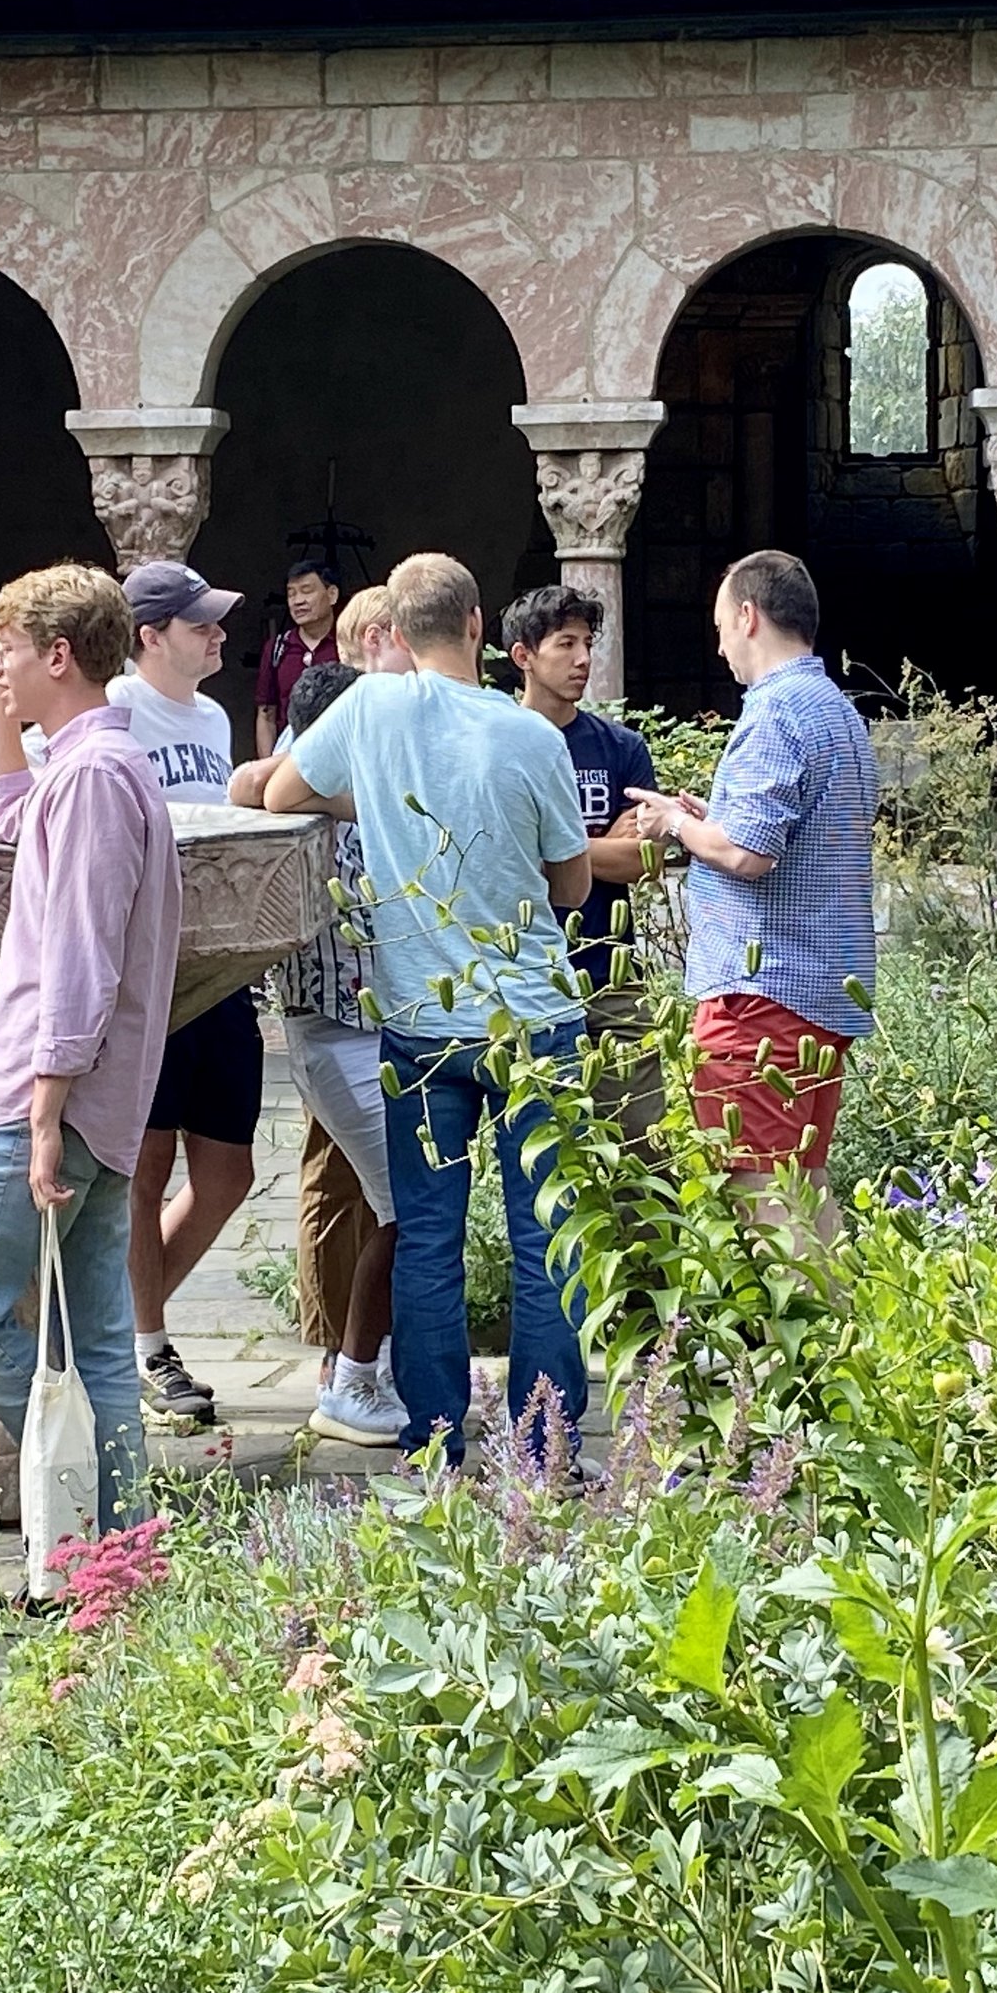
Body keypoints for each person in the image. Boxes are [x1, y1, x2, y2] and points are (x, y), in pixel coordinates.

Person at [266, 551, 593, 1469]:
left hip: (420, 1024)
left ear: (396, 637)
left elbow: (287, 791)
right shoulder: (531, 734)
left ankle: (435, 1445)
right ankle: (547, 1450)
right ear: (482, 628)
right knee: (547, 1239)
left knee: (429, 1244)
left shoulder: (368, 708)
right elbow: (569, 886)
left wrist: (379, 801)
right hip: (532, 1020)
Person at [0, 564, 180, 1536]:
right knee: (98, 1341)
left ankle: (81, 1500)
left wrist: (42, 1107)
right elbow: (8, 812)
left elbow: (82, 956)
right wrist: (1, 707)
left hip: (53, 1102)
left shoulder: (98, 779)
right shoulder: (85, 768)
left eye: (9, 652)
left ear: (58, 655)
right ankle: (121, 1552)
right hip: (88, 1101)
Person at [626, 551, 879, 1237]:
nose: (717, 644)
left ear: (748, 616)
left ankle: (806, 1345)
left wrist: (675, 823)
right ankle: (839, 1340)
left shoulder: (773, 712)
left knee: (760, 1191)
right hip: (822, 988)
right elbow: (785, 835)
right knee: (803, 1182)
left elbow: (748, 853)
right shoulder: (835, 710)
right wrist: (711, 821)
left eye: (719, 625)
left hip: (761, 994)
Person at [108, 561, 252, 1425]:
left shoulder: (213, 715)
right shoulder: (117, 708)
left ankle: (114, 1327)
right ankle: (147, 1347)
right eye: (200, 624)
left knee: (228, 1171)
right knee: (146, 1165)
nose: (218, 636)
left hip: (217, 964)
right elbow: (11, 781)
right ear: (149, 636)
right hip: (145, 966)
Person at [267, 663, 407, 1446]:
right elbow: (257, 783)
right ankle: (352, 1377)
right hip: (333, 1033)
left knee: (402, 1208)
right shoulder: (303, 805)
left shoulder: (344, 796)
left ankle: (373, 1367)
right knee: (403, 1211)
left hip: (371, 1031)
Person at [504, 585, 665, 1147]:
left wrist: (548, 847)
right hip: (523, 974)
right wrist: (599, 844)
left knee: (643, 1146)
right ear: (523, 656)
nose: (583, 659)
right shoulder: (500, 744)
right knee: (547, 1152)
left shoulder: (621, 747)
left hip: (610, 975)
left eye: (588, 643)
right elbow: (500, 855)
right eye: (565, 644)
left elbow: (645, 860)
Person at [255, 557, 343, 756]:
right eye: (291, 594)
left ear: (332, 595)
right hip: (288, 761)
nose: (297, 601)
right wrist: (266, 770)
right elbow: (266, 714)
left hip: (339, 761)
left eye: (307, 590)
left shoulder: (348, 644)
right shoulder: (278, 648)